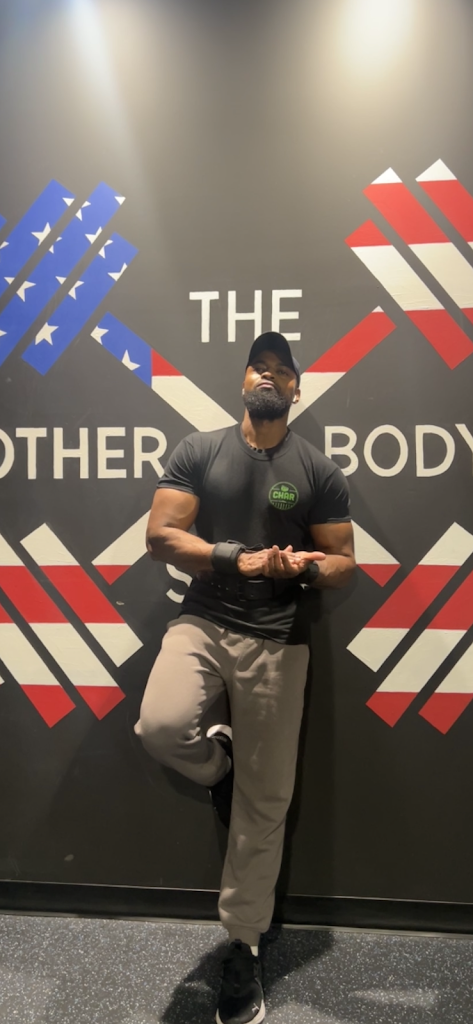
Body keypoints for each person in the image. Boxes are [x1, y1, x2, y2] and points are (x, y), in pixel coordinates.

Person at [135, 331, 355, 1024]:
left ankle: (242, 944)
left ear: (296, 390)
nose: (268, 377)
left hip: (279, 639)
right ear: (242, 382)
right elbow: (161, 537)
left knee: (265, 803)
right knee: (160, 726)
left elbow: (343, 559)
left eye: (281, 371)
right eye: (258, 367)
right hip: (203, 619)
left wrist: (307, 568)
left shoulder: (318, 469)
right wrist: (238, 558)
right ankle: (216, 767)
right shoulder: (199, 450)